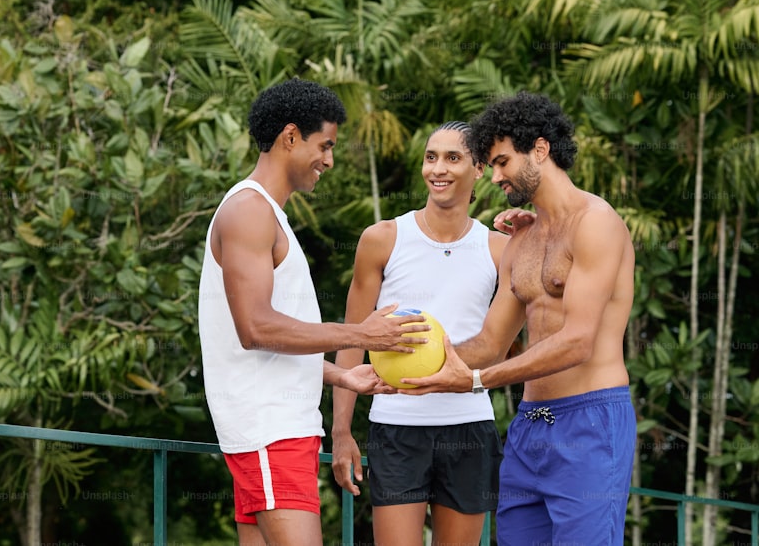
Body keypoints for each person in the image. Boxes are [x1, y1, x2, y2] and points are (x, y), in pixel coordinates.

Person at [198, 77, 429, 546]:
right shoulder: (249, 211)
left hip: (279, 431)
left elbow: (272, 340)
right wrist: (361, 335)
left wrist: (342, 377)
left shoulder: (269, 215)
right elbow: (255, 328)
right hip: (269, 431)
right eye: (324, 146)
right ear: (289, 137)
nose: (327, 159)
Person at [399, 92, 637, 546]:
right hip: (530, 425)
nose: (495, 176)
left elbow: (577, 341)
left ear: (541, 150)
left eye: (503, 162)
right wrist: (411, 365)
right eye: (491, 164)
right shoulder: (521, 239)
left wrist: (475, 381)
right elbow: (489, 342)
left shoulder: (596, 223)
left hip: (590, 423)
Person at [331, 121, 509, 546]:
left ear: (480, 168)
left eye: (453, 157)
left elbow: (510, 337)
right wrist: (340, 431)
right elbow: (351, 340)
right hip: (396, 427)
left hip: (469, 425)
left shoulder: (500, 248)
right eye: (431, 157)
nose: (438, 169)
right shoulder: (382, 238)